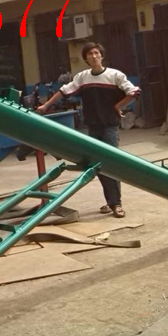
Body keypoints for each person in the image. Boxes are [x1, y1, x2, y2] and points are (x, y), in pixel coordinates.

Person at [36, 42, 140, 218]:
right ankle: (111, 201)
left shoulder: (115, 75)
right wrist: (46, 105)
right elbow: (64, 91)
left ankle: (116, 204)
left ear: (102, 55)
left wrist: (118, 106)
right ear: (86, 58)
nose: (94, 56)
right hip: (93, 126)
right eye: (90, 54)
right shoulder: (83, 77)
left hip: (109, 126)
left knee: (111, 163)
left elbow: (134, 92)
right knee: (98, 165)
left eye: (97, 53)